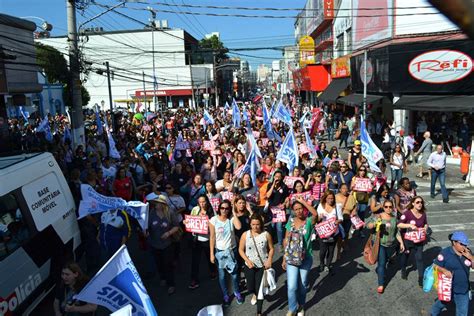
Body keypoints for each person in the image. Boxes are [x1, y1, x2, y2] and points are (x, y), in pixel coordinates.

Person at [282, 198, 318, 316]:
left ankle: (301, 305)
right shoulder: (290, 221)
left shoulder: (309, 221)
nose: (299, 211)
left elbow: (315, 213)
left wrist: (303, 202)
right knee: (292, 286)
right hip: (291, 258)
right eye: (296, 209)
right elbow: (286, 239)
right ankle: (292, 309)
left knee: (303, 285)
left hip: (306, 258)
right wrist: (284, 257)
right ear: (293, 211)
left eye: (300, 208)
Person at [238, 213, 275, 316]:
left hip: (262, 266)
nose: (255, 227)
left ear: (261, 224)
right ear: (250, 224)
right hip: (249, 265)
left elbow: (271, 248)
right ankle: (253, 293)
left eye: (257, 224)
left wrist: (269, 259)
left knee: (260, 289)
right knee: (250, 288)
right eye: (253, 224)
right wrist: (247, 260)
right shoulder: (245, 234)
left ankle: (259, 312)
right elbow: (240, 250)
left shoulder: (266, 234)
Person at [365, 200, 404, 294]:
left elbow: (396, 232)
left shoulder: (394, 218)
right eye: (386, 207)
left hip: (391, 245)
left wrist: (401, 242)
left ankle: (379, 271)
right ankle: (381, 284)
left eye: (390, 207)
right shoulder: (378, 216)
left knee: (385, 261)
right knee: (382, 263)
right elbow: (368, 225)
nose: (388, 209)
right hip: (380, 244)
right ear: (383, 207)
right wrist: (374, 224)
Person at [209, 199, 243, 306]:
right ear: (219, 208)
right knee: (222, 276)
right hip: (220, 251)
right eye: (222, 208)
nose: (224, 210)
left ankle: (237, 292)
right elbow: (212, 237)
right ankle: (226, 295)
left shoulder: (231, 219)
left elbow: (239, 227)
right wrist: (211, 253)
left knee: (234, 275)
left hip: (231, 250)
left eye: (227, 208)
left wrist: (233, 212)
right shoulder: (213, 220)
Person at [431, 231, 473, 316]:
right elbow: (435, 266)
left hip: (462, 289)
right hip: (448, 288)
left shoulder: (468, 252)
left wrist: (471, 257)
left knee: (462, 313)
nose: (464, 247)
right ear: (454, 242)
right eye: (462, 244)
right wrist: (444, 270)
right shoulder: (445, 253)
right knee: (441, 304)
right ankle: (433, 313)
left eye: (465, 244)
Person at [146, 193, 180, 295]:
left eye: (158, 203)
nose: (155, 204)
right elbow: (147, 227)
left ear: (163, 204)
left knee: (168, 264)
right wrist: (146, 232)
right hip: (154, 244)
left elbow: (176, 226)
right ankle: (162, 277)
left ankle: (171, 284)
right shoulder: (151, 213)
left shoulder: (170, 213)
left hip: (167, 244)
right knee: (159, 263)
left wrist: (168, 233)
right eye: (155, 202)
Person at [187, 195, 217, 289]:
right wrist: (187, 222)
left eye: (204, 202)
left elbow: (215, 224)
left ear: (207, 202)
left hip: (208, 239)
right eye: (200, 202)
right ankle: (194, 279)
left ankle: (213, 271)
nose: (202, 204)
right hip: (197, 239)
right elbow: (191, 220)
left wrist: (207, 221)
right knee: (195, 260)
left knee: (209, 258)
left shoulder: (211, 211)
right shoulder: (195, 210)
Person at [398, 196, 428, 287]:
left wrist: (425, 228)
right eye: (418, 202)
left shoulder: (423, 214)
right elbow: (399, 224)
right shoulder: (407, 213)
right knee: (406, 256)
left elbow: (426, 223)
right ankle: (403, 270)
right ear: (413, 203)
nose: (420, 204)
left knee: (419, 258)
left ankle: (420, 279)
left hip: (419, 240)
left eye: (421, 202)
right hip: (408, 240)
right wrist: (409, 225)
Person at [316, 191, 343, 272]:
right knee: (323, 251)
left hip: (334, 233)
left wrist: (337, 221)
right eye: (329, 198)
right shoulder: (321, 206)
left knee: (331, 251)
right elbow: (316, 219)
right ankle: (321, 263)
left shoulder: (337, 206)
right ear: (325, 198)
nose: (331, 200)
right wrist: (320, 218)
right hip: (323, 233)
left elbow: (341, 218)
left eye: (332, 198)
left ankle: (328, 265)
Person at [266, 170, 289, 252]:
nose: (277, 178)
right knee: (272, 226)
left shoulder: (284, 187)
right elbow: (268, 195)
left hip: (280, 210)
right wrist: (273, 185)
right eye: (276, 176)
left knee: (279, 227)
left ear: (281, 178)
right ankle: (269, 243)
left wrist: (284, 203)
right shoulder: (269, 185)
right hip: (272, 209)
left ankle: (280, 244)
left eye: (279, 177)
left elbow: (287, 197)